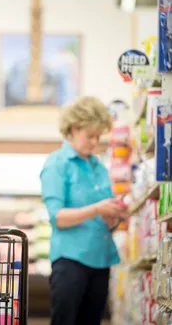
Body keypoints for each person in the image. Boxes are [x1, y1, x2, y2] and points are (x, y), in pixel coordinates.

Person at [40, 96, 128, 325]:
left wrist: (114, 217)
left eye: (98, 136)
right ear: (74, 128)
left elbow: (104, 213)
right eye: (90, 135)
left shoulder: (98, 166)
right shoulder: (58, 164)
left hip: (101, 259)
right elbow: (57, 217)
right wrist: (98, 208)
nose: (94, 142)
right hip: (71, 260)